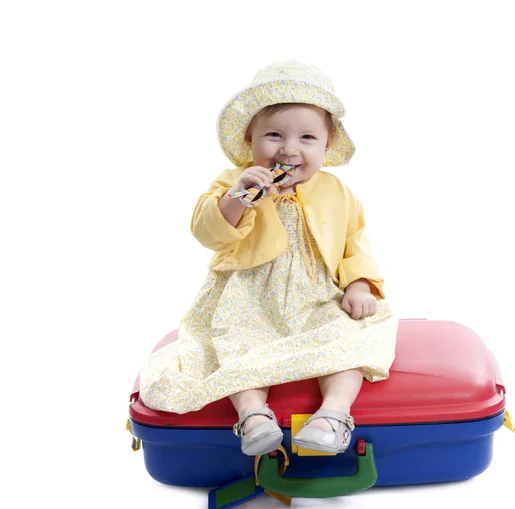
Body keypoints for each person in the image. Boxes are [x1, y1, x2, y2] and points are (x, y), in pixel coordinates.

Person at [139, 60, 397, 456]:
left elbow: (354, 242)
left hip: (314, 296)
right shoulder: (237, 182)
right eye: (274, 135)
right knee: (235, 346)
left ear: (327, 145)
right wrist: (238, 197)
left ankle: (333, 415)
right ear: (250, 139)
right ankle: (253, 416)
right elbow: (207, 233)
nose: (289, 149)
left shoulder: (337, 192)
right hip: (248, 297)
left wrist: (359, 283)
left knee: (351, 337)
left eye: (307, 138)